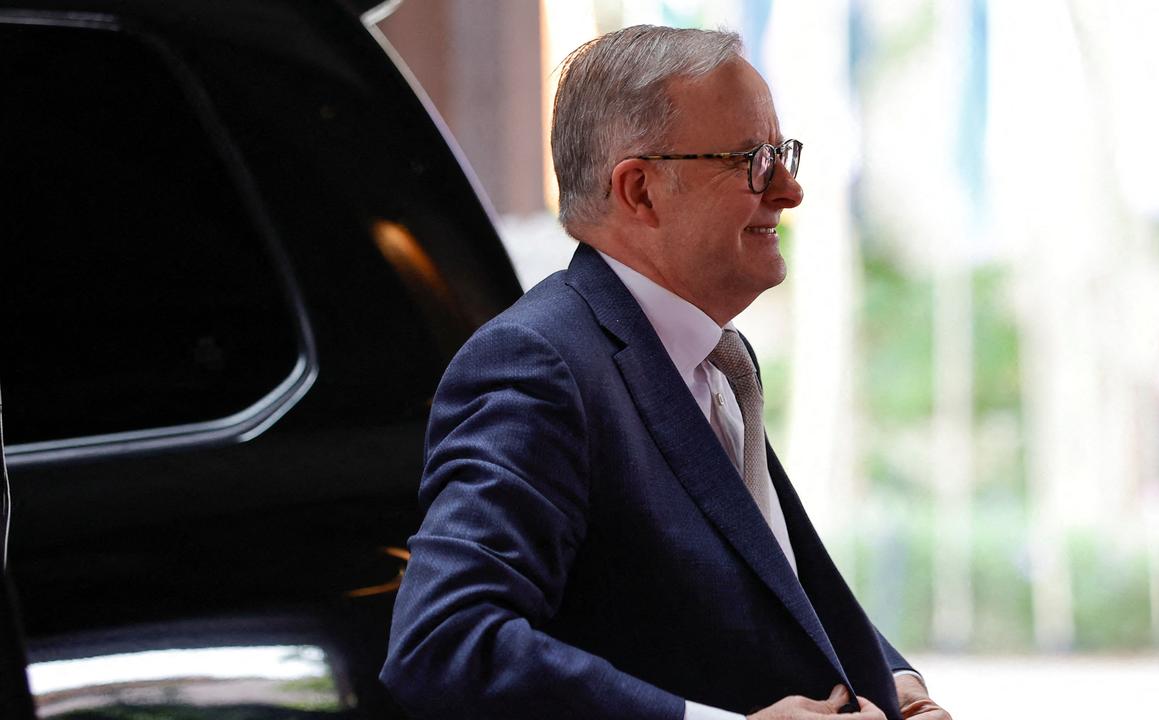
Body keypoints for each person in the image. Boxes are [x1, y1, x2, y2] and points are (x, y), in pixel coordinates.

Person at [382, 24, 951, 720]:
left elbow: (762, 588)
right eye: (751, 159)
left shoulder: (709, 359)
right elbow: (443, 644)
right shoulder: (538, 366)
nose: (789, 189)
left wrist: (895, 685)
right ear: (641, 190)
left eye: (781, 153)